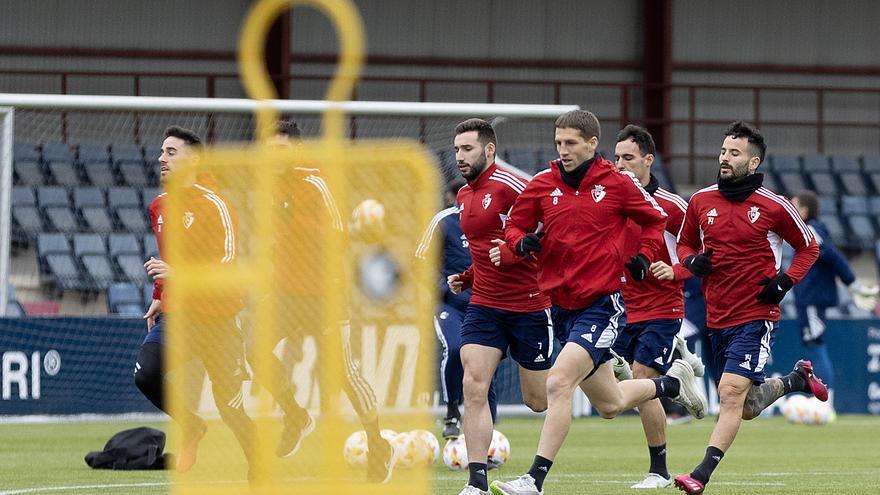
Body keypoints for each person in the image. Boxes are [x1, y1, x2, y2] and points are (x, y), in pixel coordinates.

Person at [491, 110, 707, 495]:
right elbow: (514, 225)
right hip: (561, 307)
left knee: (558, 383)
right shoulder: (542, 184)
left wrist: (642, 255)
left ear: (592, 143)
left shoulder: (616, 183)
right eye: (559, 143)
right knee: (610, 404)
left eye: (571, 143)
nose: (563, 150)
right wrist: (518, 242)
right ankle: (671, 385)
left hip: (603, 305)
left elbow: (655, 219)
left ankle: (534, 479)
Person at [672, 121, 826, 494]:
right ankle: (795, 380)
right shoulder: (700, 201)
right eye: (723, 151)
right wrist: (691, 262)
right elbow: (684, 245)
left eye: (734, 153)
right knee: (747, 404)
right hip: (716, 315)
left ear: (753, 162)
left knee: (729, 394)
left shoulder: (774, 206)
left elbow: (810, 247)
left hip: (756, 314)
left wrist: (785, 282)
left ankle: (700, 475)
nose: (724, 158)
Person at [249, 119, 397, 482]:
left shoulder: (315, 182)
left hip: (324, 294)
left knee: (344, 374)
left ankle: (379, 444)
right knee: (253, 348)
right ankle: (295, 415)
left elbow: (339, 235)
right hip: (285, 292)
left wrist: (295, 221)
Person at [134, 126, 259, 480]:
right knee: (147, 374)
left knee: (229, 405)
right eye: (162, 152)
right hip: (179, 316)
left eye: (172, 152)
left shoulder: (215, 204)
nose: (162, 158)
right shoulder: (159, 207)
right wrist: (160, 297)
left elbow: (227, 265)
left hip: (218, 320)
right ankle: (192, 426)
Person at [446, 118, 553, 495]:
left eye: (468, 149)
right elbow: (484, 250)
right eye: (457, 149)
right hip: (485, 306)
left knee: (538, 401)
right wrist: (469, 277)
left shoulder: (513, 187)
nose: (459, 156)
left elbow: (548, 233)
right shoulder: (463, 196)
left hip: (528, 306)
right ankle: (477, 482)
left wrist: (512, 252)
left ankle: (598, 369)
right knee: (473, 386)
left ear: (489, 150)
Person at [611, 124, 706, 489]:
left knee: (639, 380)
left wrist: (677, 269)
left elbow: (703, 253)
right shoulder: (609, 203)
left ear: (648, 160)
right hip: (618, 309)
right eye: (617, 157)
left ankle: (659, 471)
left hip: (661, 309)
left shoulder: (671, 206)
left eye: (629, 158)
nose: (620, 164)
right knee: (609, 390)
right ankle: (675, 381)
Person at [414, 179, 498, 439]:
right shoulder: (444, 221)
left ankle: (489, 433)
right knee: (453, 348)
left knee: (485, 367)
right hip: (449, 306)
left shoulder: (496, 218)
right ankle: (452, 411)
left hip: (485, 306)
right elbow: (420, 262)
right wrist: (443, 290)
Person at [790, 190, 878, 412]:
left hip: (812, 298)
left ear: (804, 210)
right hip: (808, 297)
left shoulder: (811, 231)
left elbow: (832, 255)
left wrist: (852, 282)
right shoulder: (808, 230)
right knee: (813, 345)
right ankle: (821, 399)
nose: (790, 207)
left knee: (816, 346)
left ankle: (825, 401)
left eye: (795, 205)